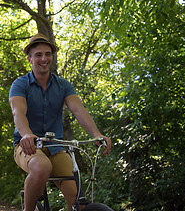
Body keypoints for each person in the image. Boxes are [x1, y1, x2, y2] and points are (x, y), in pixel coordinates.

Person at [9, 33, 111, 211]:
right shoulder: (20, 84)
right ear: (29, 59)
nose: (44, 58)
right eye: (38, 54)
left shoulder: (63, 85)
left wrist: (96, 134)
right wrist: (26, 134)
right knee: (41, 167)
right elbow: (18, 113)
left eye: (48, 54)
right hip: (27, 146)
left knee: (78, 200)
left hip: (56, 147)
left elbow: (78, 110)